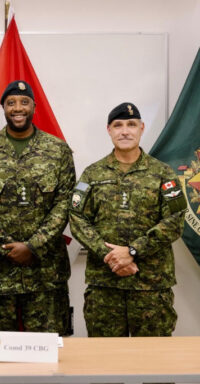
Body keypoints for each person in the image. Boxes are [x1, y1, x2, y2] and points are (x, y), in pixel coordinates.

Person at [0, 80, 75, 334]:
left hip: (46, 272)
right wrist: (6, 247)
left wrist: (32, 246)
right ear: (3, 107)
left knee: (48, 354)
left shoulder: (58, 150)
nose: (18, 108)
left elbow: (64, 203)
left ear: (34, 107)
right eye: (11, 102)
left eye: (24, 102)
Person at [69, 102, 186, 337]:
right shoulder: (92, 174)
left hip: (150, 286)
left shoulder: (163, 173)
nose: (125, 131)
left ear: (141, 128)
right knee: (105, 364)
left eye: (131, 125)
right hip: (105, 285)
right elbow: (77, 217)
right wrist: (109, 255)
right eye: (118, 125)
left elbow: (175, 221)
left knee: (154, 363)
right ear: (109, 130)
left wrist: (132, 251)